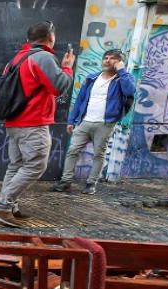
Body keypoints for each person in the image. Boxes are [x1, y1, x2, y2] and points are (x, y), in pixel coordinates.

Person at [0, 21, 75, 228]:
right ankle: (2, 206)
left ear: (28, 38)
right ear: (51, 38)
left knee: (16, 166)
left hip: (15, 122)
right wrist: (67, 68)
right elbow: (59, 87)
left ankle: (9, 207)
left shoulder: (17, 59)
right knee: (35, 165)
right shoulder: (42, 57)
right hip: (32, 122)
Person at [53, 49, 136, 195]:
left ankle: (91, 183)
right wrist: (71, 120)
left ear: (120, 62)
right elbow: (80, 100)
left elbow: (129, 91)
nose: (107, 60)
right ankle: (65, 181)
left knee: (99, 154)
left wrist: (121, 71)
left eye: (112, 59)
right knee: (72, 150)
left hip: (105, 123)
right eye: (106, 57)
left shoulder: (123, 79)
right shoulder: (92, 78)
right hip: (85, 121)